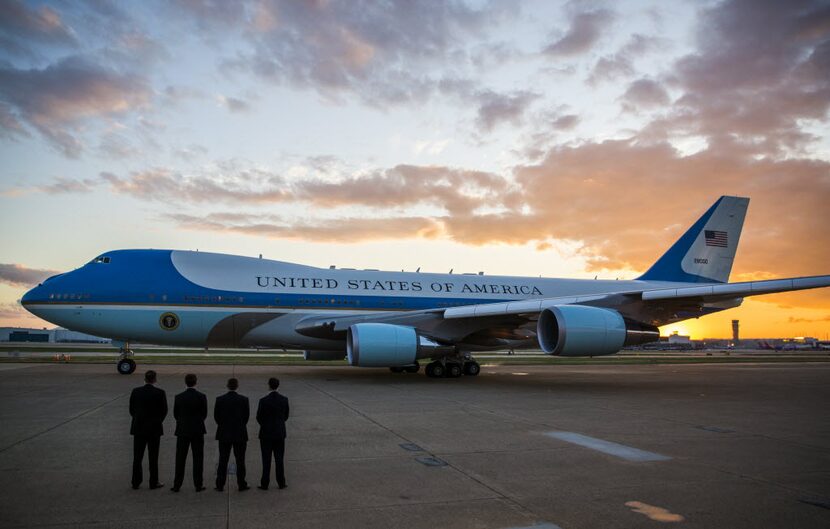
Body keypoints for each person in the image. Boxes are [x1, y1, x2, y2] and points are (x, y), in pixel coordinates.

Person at [129, 370, 168, 490]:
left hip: (139, 428)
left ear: (144, 379)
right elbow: (164, 411)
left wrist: (138, 420)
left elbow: (132, 410)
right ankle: (153, 482)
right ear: (155, 380)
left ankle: (136, 482)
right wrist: (157, 422)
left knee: (137, 457)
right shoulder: (160, 393)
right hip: (154, 429)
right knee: (153, 457)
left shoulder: (136, 391)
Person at [171, 373, 207, 492]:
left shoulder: (179, 397)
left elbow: (176, 414)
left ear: (185, 383)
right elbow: (204, 414)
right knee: (198, 458)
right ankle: (198, 484)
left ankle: (177, 485)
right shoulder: (201, 396)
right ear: (196, 382)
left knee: (180, 459)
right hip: (197, 430)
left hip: (182, 431)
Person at [214, 377, 250, 491]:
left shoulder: (220, 399)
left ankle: (220, 484)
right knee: (240, 460)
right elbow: (246, 417)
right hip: (239, 433)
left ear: (227, 386)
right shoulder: (244, 400)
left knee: (223, 460)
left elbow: (217, 417)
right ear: (237, 386)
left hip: (224, 433)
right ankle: (241, 484)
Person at [256, 377, 290, 490]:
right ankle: (281, 482)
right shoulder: (284, 400)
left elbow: (259, 417)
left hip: (266, 433)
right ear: (278, 386)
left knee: (266, 460)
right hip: (279, 433)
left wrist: (266, 425)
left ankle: (264, 483)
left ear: (269, 385)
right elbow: (286, 416)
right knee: (279, 459)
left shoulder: (263, 400)